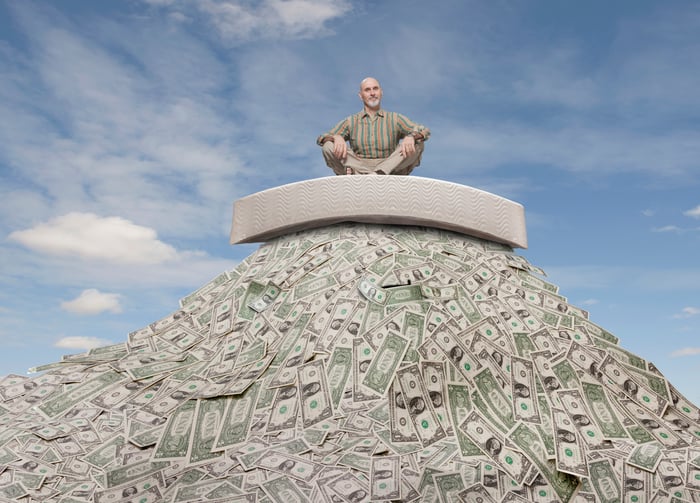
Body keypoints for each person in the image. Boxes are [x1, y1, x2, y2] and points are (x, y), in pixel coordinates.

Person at [318, 77, 430, 175]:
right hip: (358, 166)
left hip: (391, 168)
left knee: (418, 143)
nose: (372, 93)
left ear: (381, 92)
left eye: (375, 89)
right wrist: (335, 138)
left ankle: (379, 173)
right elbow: (322, 138)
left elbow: (424, 130)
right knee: (328, 145)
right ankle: (361, 174)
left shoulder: (395, 118)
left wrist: (412, 137)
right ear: (361, 96)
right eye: (367, 90)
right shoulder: (351, 121)